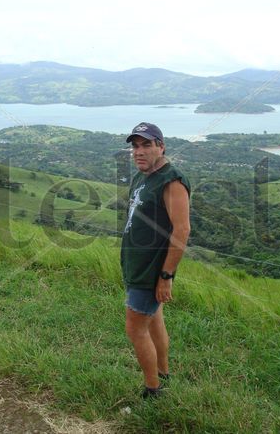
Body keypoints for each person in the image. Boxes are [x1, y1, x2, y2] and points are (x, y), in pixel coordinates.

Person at [120, 122, 191, 398]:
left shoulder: (171, 180)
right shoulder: (143, 176)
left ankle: (153, 389)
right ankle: (163, 373)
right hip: (137, 265)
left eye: (147, 144)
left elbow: (182, 229)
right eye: (135, 146)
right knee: (154, 320)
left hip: (151, 271)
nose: (139, 151)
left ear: (161, 146)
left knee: (136, 329)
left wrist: (166, 276)